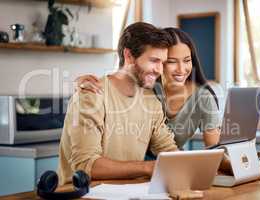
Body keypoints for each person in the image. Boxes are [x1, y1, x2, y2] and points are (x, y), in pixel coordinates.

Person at [58, 22, 179, 186]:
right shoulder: (91, 95)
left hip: (128, 193)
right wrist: (147, 168)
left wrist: (188, 164)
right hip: (83, 195)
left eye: (162, 63)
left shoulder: (151, 102)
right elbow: (86, 166)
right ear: (129, 56)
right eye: (154, 60)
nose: (159, 70)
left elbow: (168, 150)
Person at [77, 27, 221, 150]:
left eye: (187, 60)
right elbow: (119, 81)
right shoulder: (147, 85)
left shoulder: (202, 98)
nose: (181, 69)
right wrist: (82, 85)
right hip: (133, 168)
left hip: (162, 165)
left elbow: (215, 152)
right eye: (171, 62)